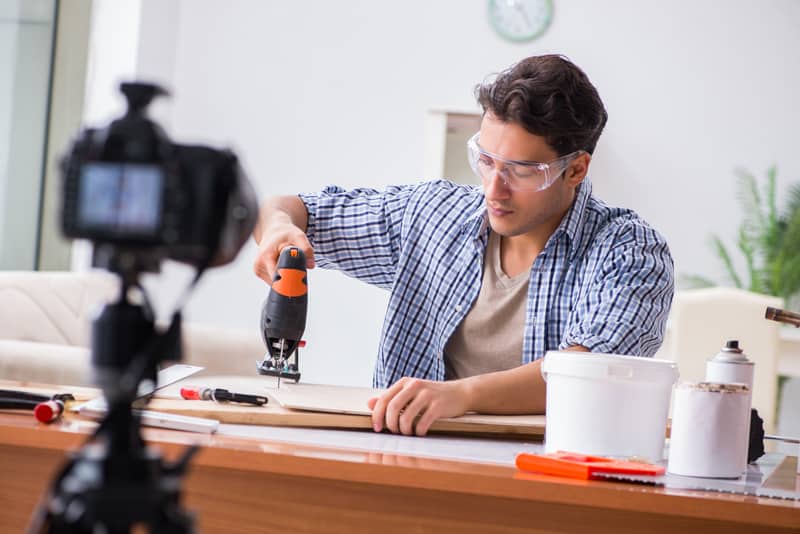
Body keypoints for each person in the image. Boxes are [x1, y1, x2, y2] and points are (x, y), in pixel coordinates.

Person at [253, 54, 674, 437]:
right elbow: (294, 209)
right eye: (487, 161)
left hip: (547, 481)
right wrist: (276, 228)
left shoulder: (630, 251)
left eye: (520, 172)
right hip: (410, 464)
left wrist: (460, 396)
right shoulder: (431, 215)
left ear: (576, 169)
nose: (494, 190)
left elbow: (585, 374)